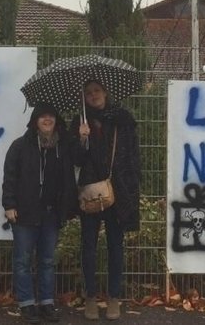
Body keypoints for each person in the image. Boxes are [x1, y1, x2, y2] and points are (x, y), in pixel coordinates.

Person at [2, 103, 78, 324]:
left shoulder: (62, 148)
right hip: (24, 213)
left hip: (51, 215)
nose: (47, 119)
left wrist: (83, 138)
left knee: (47, 260)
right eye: (43, 116)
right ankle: (26, 304)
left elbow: (79, 163)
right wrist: (9, 205)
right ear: (35, 120)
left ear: (56, 120)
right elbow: (10, 178)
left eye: (51, 116)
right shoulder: (20, 146)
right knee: (23, 260)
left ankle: (46, 303)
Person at [73, 80, 141, 321]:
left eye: (97, 91)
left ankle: (114, 297)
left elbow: (132, 154)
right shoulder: (79, 121)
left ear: (106, 92)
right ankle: (90, 296)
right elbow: (77, 161)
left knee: (115, 246)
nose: (93, 96)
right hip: (91, 191)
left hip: (118, 190)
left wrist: (133, 188)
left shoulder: (122, 119)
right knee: (88, 246)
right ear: (84, 97)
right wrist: (81, 139)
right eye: (88, 93)